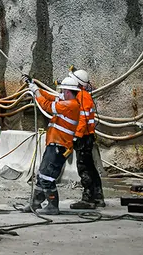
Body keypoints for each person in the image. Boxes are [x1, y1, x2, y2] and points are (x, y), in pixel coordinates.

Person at [21, 75, 81, 215]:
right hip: (54, 144)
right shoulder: (66, 101)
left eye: (63, 91)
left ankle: (53, 205)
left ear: (67, 91)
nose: (61, 93)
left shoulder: (71, 105)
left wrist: (35, 92)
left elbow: (46, 105)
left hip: (59, 147)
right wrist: (34, 86)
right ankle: (35, 202)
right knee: (42, 173)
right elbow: (48, 96)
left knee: (47, 176)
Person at [68, 67, 106, 209]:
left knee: (83, 167)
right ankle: (98, 196)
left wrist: (76, 137)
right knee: (91, 167)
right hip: (88, 137)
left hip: (83, 138)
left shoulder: (82, 96)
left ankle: (88, 199)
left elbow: (82, 118)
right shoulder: (84, 95)